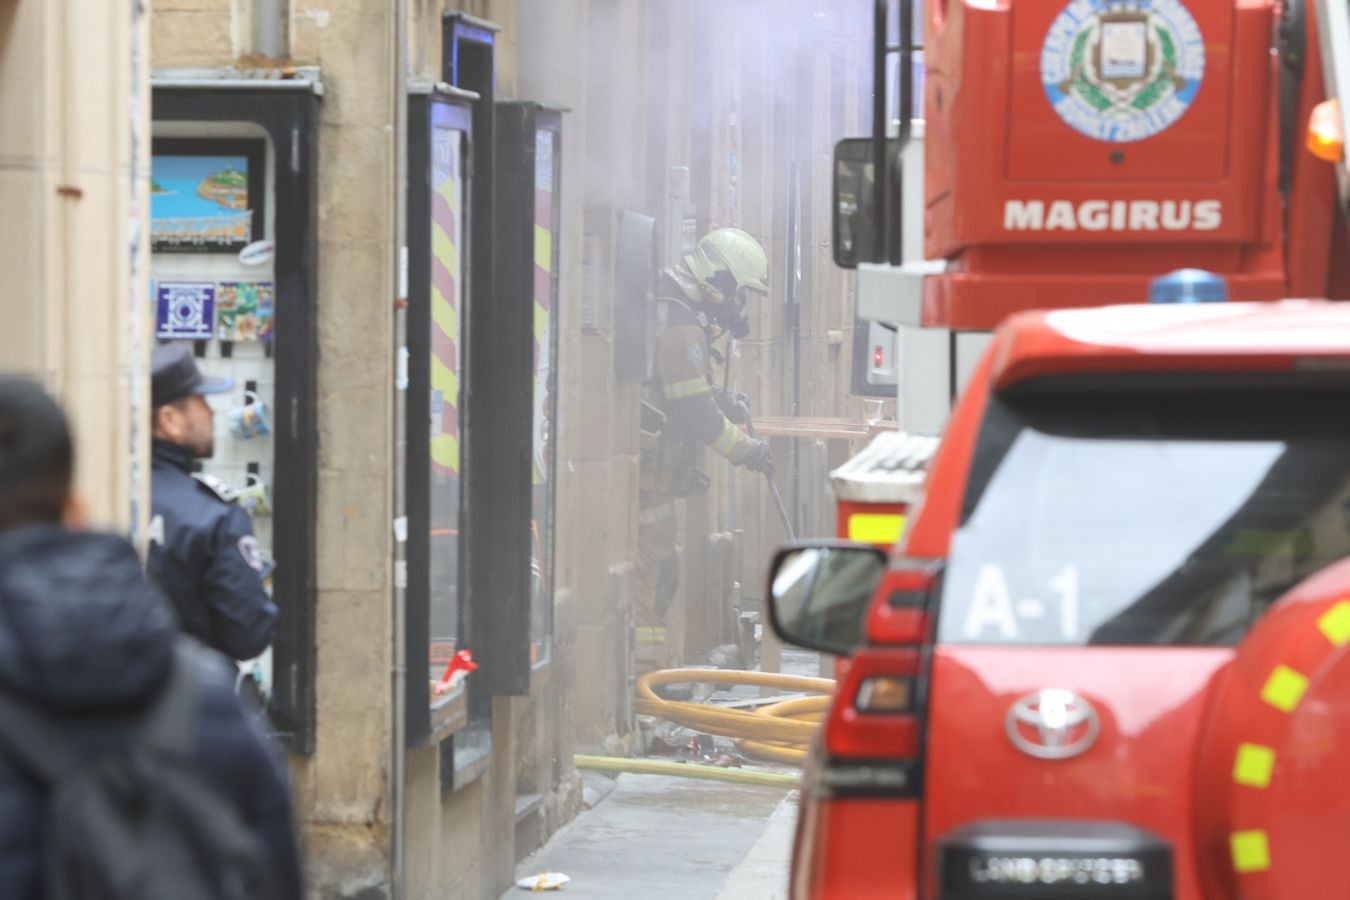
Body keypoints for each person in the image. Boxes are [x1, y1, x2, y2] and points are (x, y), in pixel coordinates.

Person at [0, 375, 301, 898]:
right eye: (201, 401)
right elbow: (275, 874)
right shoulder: (207, 700)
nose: (212, 411)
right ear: (75, 510)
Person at [636, 227, 775, 670]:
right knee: (652, 576)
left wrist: (722, 399)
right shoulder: (683, 325)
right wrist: (747, 450)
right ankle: (642, 682)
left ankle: (649, 678)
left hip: (655, 475)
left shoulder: (680, 311)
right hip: (648, 479)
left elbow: (682, 391)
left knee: (660, 572)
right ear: (719, 280)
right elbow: (695, 414)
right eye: (739, 292)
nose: (739, 304)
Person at [147, 343, 277, 662]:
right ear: (170, 420)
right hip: (188, 688)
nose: (211, 412)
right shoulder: (212, 515)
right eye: (201, 401)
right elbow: (249, 635)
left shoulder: (94, 499)